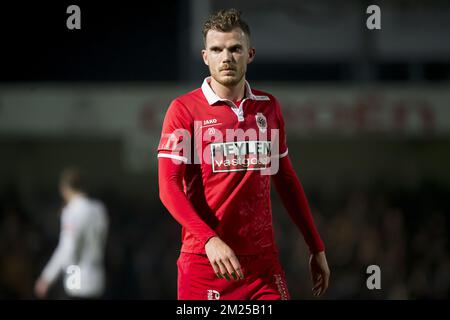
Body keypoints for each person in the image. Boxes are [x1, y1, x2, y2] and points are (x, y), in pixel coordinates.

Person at [158, 8, 330, 300]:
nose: (226, 57)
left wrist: (316, 246)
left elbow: (286, 179)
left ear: (250, 54)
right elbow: (168, 187)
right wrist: (209, 239)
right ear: (205, 57)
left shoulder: (268, 107)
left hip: (262, 266)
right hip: (205, 263)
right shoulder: (184, 110)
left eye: (235, 48)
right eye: (217, 49)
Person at [34, 167, 109, 299]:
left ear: (64, 189)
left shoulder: (71, 211)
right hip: (97, 278)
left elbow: (67, 249)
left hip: (77, 281)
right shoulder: (99, 209)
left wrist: (47, 278)